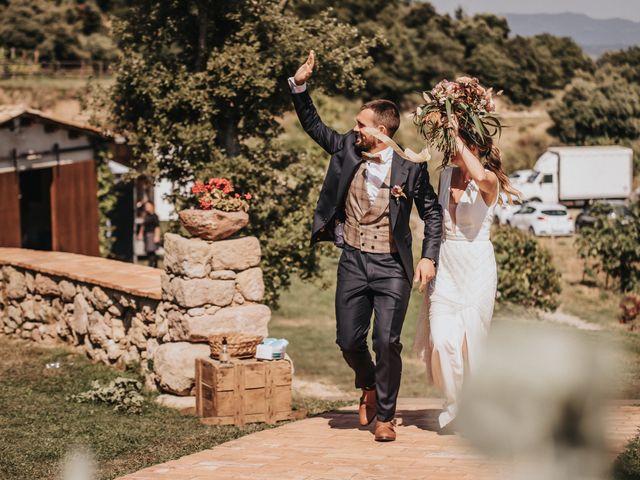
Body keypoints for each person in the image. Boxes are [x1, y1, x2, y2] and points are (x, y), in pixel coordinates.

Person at [290, 51, 443, 442]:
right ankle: (369, 383)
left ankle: (386, 418)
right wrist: (300, 85)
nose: (353, 128)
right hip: (354, 260)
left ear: (379, 131)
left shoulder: (410, 169)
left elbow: (433, 214)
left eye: (361, 124)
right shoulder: (345, 148)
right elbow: (312, 125)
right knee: (348, 339)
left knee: (386, 340)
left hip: (393, 266)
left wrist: (428, 256)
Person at [413, 117, 519, 434]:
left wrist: (454, 127)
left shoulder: (489, 181)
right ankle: (455, 404)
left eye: (456, 144)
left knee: (473, 343)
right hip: (447, 263)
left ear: (473, 146)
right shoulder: (445, 175)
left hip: (477, 267)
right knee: (442, 339)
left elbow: (477, 172)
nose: (450, 150)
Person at [137, 201, 161, 268]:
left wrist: (157, 236)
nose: (146, 207)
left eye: (148, 206)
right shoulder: (146, 216)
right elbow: (143, 225)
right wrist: (140, 234)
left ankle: (151, 265)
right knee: (148, 251)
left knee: (151, 251)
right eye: (146, 206)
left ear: (152, 206)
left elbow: (157, 227)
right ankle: (154, 264)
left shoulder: (155, 216)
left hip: (152, 235)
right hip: (146, 235)